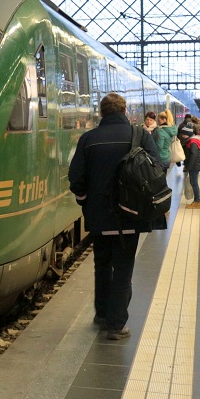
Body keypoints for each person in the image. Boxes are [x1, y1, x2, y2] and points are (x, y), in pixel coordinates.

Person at [68, 92, 162, 341]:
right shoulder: (139, 134)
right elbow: (158, 166)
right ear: (124, 111)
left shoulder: (89, 139)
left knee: (102, 264)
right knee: (123, 268)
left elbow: (76, 178)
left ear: (102, 112)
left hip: (99, 217)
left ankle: (101, 314)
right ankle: (116, 324)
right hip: (131, 215)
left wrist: (84, 201)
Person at [178, 115, 200, 202]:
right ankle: (196, 199)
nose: (182, 136)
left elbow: (193, 155)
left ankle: (197, 200)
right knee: (193, 182)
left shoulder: (193, 142)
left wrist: (188, 167)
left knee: (194, 182)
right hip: (194, 165)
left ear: (188, 134)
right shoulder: (191, 141)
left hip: (194, 166)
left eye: (184, 134)